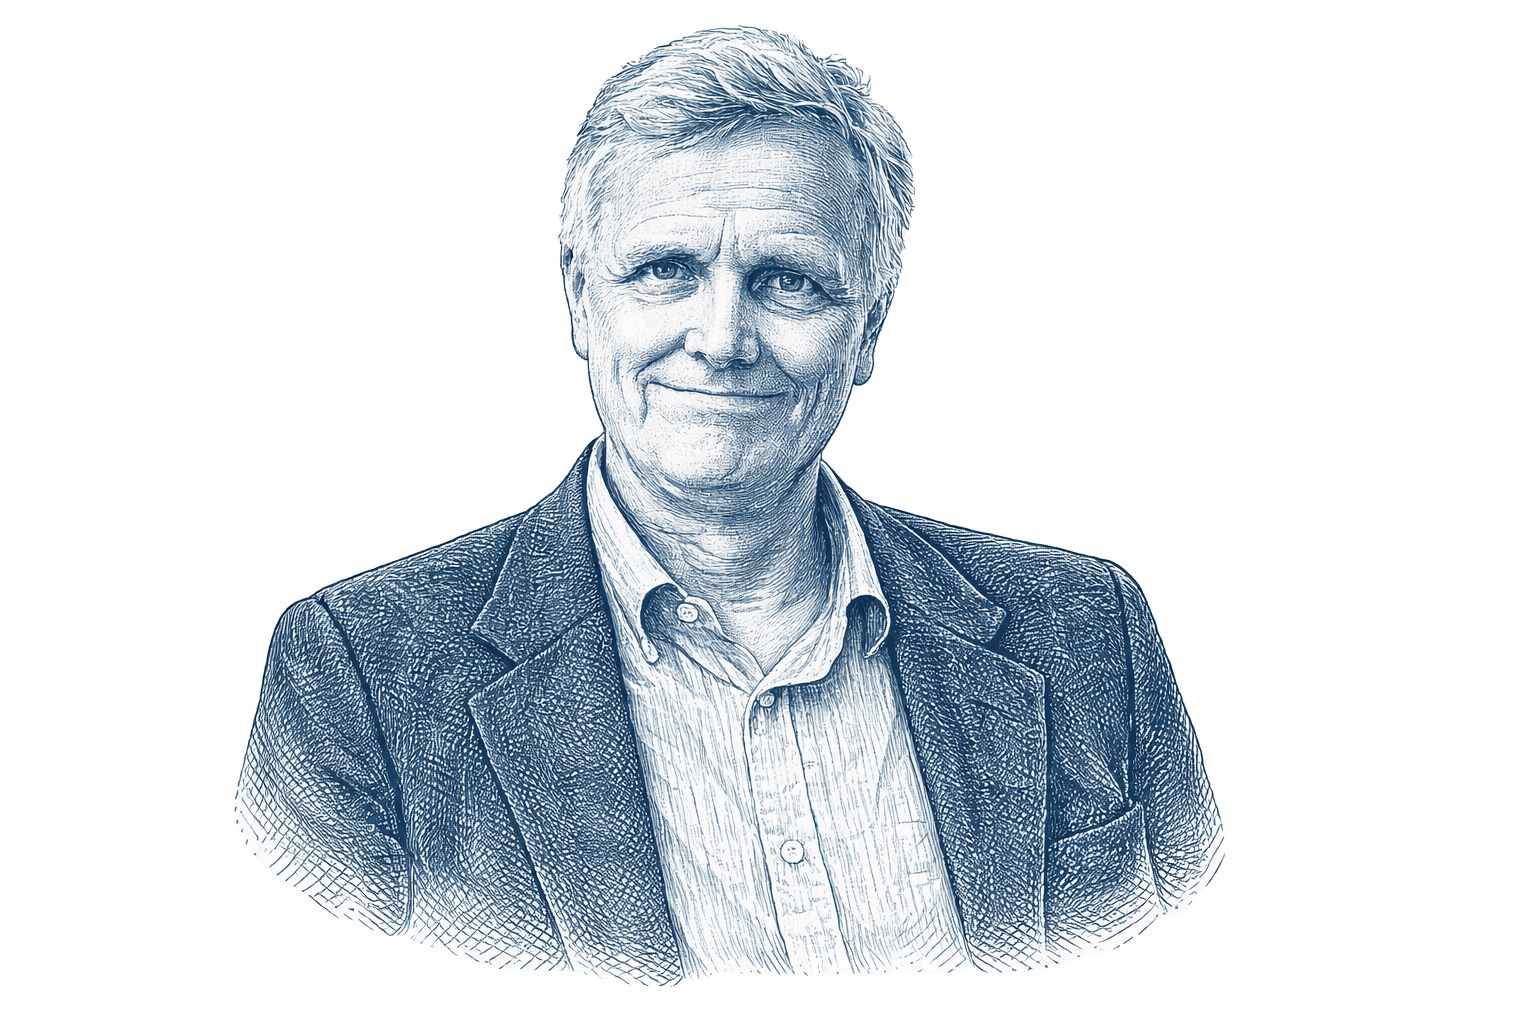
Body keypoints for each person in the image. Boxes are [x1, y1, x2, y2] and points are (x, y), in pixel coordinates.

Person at [234, 24, 1224, 987]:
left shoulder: (1091, 631)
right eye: (665, 270)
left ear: (870, 327)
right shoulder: (358, 673)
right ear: (579, 298)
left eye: (788, 281)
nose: (722, 338)